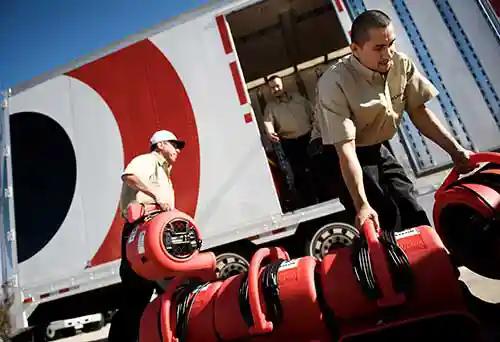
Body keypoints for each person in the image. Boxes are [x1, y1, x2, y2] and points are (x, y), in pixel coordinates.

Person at [315, 9, 473, 233]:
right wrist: (361, 206)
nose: (388, 54)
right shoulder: (334, 82)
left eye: (391, 44)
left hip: (373, 145)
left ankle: (431, 260)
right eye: (379, 48)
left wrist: (456, 151)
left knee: (408, 202)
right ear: (355, 50)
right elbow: (346, 150)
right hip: (335, 152)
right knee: (382, 213)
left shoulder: (401, 64)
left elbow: (419, 112)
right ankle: (393, 264)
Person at [107, 129, 185, 342]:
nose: (177, 149)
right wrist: (155, 194)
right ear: (160, 145)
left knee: (161, 286)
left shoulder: (164, 171)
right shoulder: (147, 161)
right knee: (136, 293)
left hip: (154, 231)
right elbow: (129, 176)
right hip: (140, 232)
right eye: (173, 144)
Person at [263, 75, 317, 206]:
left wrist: (317, 130)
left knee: (316, 169)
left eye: (277, 86)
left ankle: (325, 197)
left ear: (282, 85)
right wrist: (270, 132)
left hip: (309, 138)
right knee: (299, 175)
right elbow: (268, 122)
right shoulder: (270, 107)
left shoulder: (299, 99)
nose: (275, 89)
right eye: (272, 88)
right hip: (290, 144)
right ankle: (308, 203)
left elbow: (314, 114)